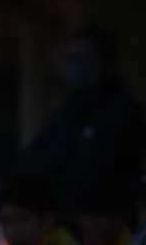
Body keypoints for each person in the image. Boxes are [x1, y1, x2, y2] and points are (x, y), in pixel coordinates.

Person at [21, 26, 146, 224]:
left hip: (110, 229)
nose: (74, 67)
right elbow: (34, 162)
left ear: (104, 63)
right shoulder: (65, 114)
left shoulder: (125, 114)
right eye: (70, 59)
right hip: (63, 228)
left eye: (83, 59)